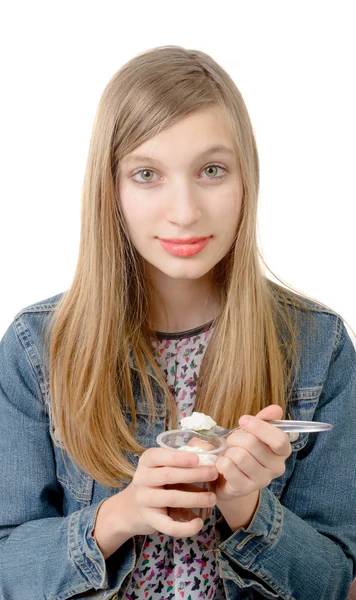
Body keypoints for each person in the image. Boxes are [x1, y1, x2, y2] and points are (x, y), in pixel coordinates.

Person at [0, 45, 355, 600]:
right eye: (147, 174)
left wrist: (245, 506)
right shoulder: (35, 347)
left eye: (211, 170)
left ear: (246, 180)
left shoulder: (319, 345)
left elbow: (336, 582)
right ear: (110, 190)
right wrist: (118, 516)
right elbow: (7, 567)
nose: (185, 210)